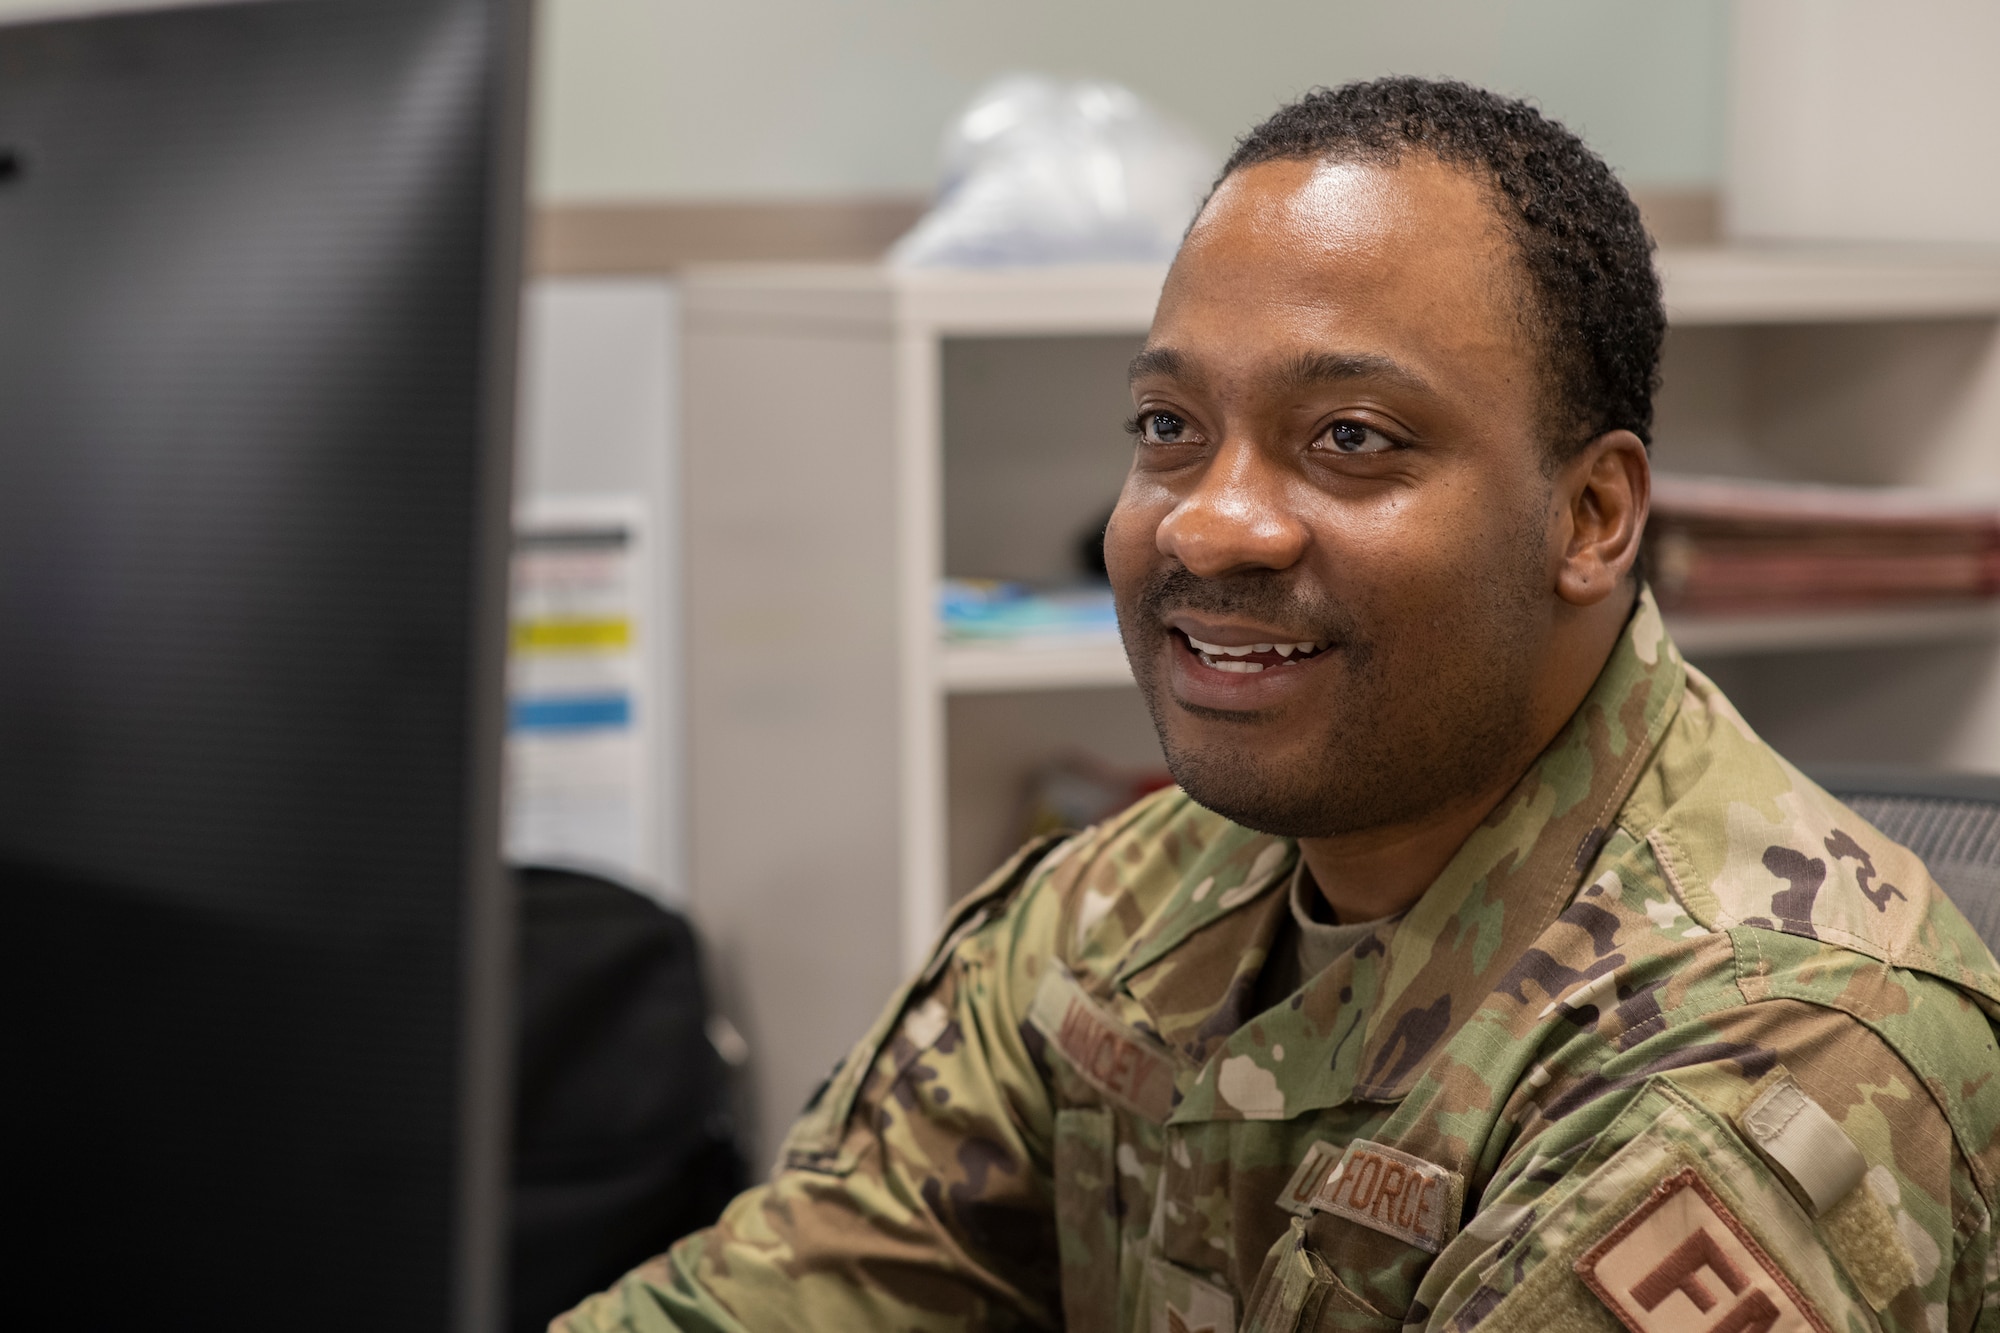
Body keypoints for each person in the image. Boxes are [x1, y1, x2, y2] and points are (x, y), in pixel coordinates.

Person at [560, 78, 2000, 1333]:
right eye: (1169, 428)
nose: (1211, 526)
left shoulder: (1762, 1062)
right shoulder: (1122, 910)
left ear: (1593, 513)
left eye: (1351, 439)